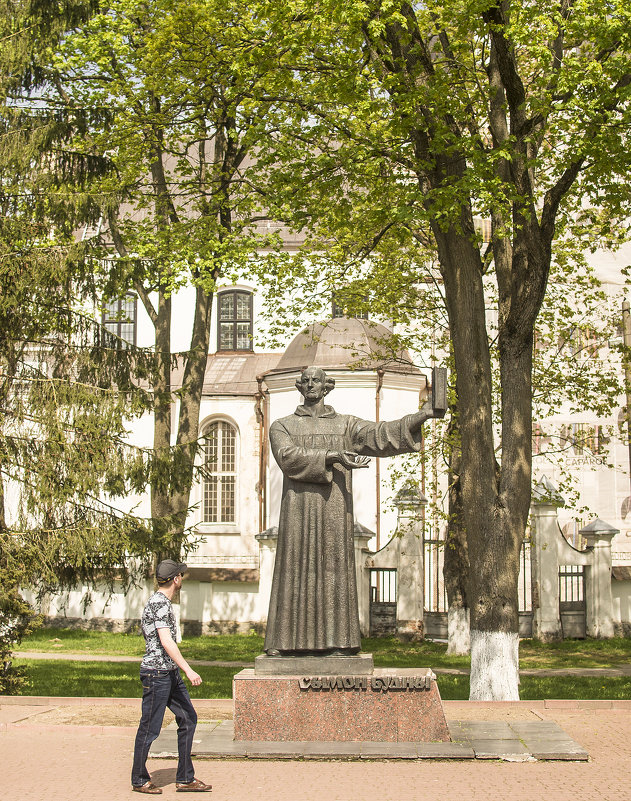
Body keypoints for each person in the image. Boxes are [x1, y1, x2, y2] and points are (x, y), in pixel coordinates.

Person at [264, 365, 441, 656]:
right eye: (305, 381)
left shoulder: (346, 426)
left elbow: (380, 435)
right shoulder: (283, 426)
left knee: (335, 571)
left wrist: (419, 416)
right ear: (299, 387)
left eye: (316, 381)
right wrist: (334, 456)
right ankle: (284, 643)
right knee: (295, 567)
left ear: (326, 387)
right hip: (298, 511)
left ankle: (338, 643)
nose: (310, 385)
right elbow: (288, 458)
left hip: (335, 510)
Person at [131, 559, 212, 794]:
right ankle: (138, 779)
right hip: (157, 674)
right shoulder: (161, 605)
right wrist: (189, 669)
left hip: (168, 672)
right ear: (175, 579)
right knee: (150, 728)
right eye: (181, 576)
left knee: (188, 718)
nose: (182, 579)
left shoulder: (160, 602)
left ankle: (185, 778)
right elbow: (166, 641)